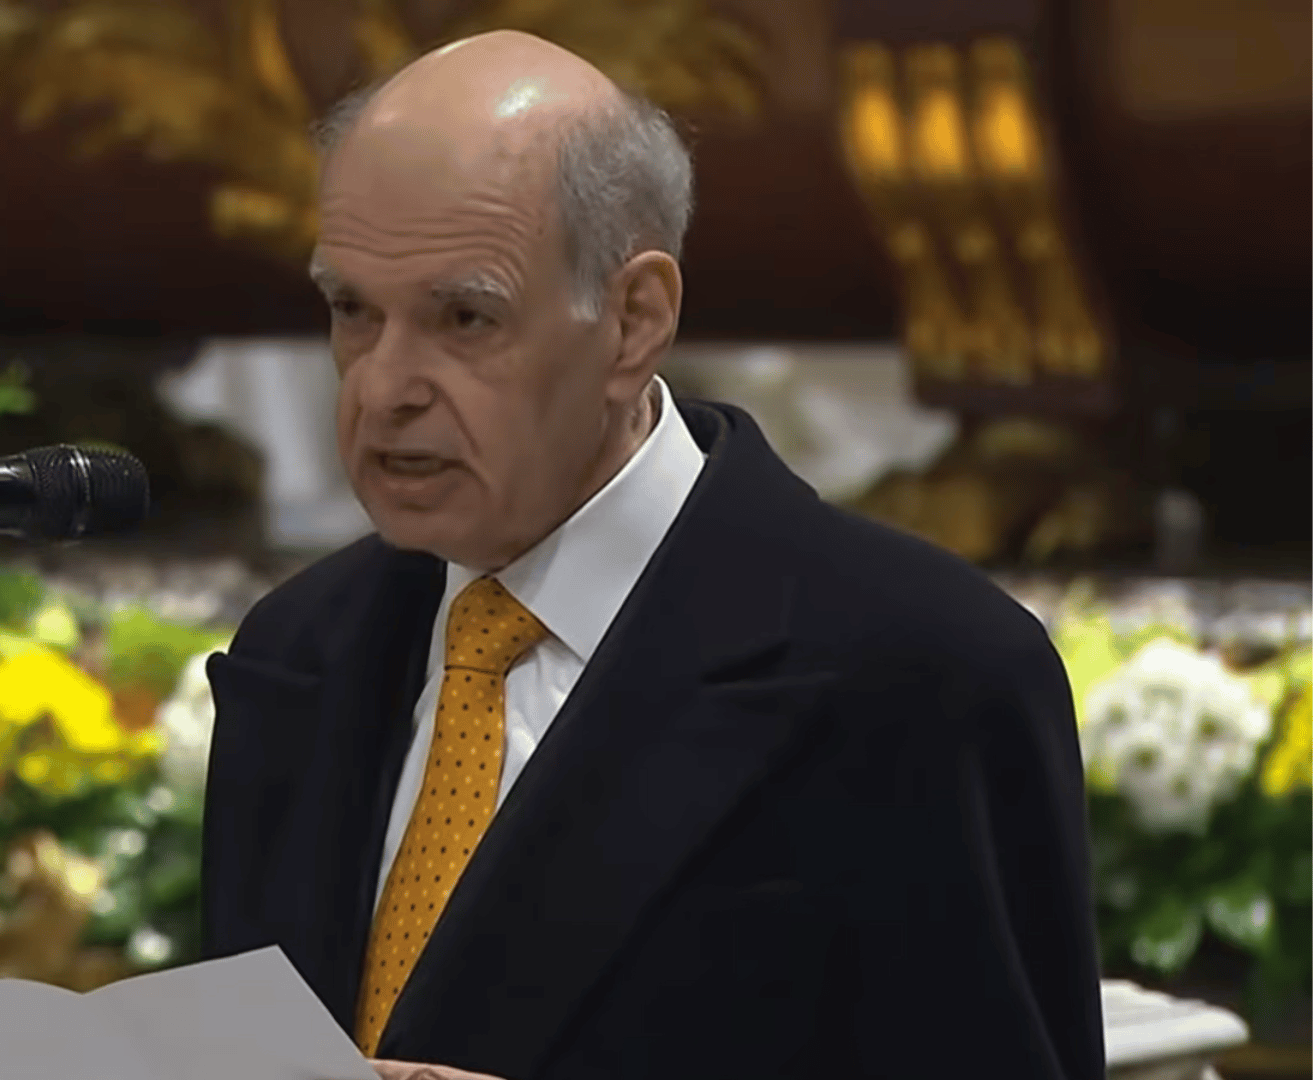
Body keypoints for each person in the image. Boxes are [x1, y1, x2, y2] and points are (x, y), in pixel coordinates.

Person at [199, 29, 1104, 1080]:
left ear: (634, 322)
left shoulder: (923, 676)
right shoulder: (299, 651)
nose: (382, 386)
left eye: (465, 318)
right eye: (353, 311)